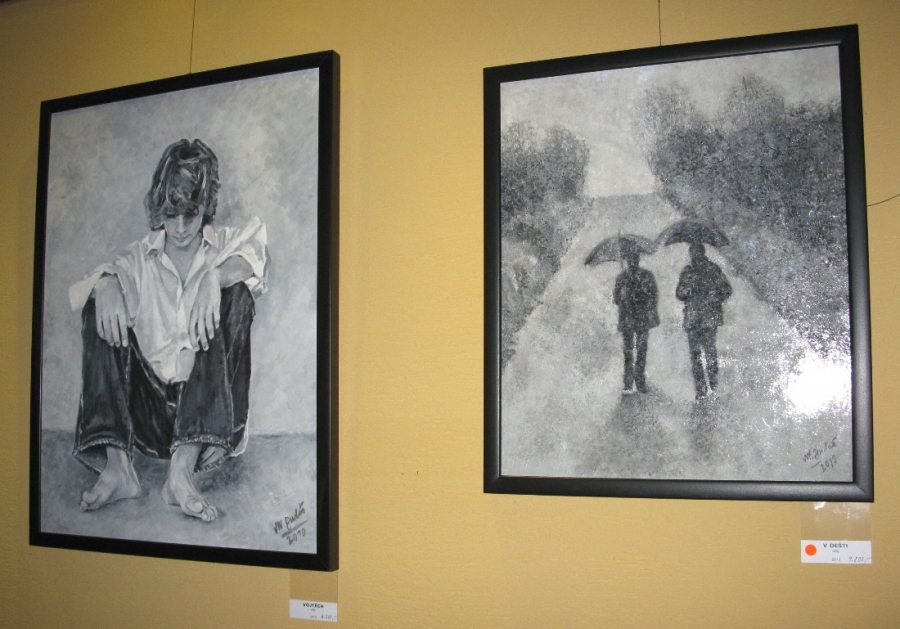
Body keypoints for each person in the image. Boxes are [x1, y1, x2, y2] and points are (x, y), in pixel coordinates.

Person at [68, 139, 269, 522]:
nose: (179, 228)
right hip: (150, 417)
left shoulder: (224, 245)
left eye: (189, 215)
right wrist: (106, 284)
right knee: (100, 301)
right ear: (160, 206)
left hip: (213, 421)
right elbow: (82, 290)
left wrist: (213, 278)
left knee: (237, 294)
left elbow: (258, 252)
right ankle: (118, 469)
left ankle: (181, 473)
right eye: (171, 214)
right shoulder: (139, 257)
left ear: (205, 207)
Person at [676, 243, 732, 400]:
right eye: (692, 253)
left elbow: (726, 289)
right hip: (694, 318)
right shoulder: (688, 271)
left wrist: (714, 297)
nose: (694, 256)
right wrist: (689, 288)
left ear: (702, 253)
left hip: (708, 317)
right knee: (696, 355)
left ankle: (713, 387)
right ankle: (701, 390)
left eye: (696, 252)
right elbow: (679, 293)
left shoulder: (712, 269)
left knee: (709, 353)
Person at [613, 246, 659, 394]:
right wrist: (624, 295)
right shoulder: (622, 278)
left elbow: (654, 296)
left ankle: (640, 382)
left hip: (641, 318)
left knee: (641, 351)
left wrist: (641, 296)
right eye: (630, 259)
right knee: (628, 352)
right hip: (627, 319)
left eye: (634, 259)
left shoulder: (646, 276)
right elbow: (616, 299)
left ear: (638, 260)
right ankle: (628, 383)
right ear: (627, 261)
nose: (632, 262)